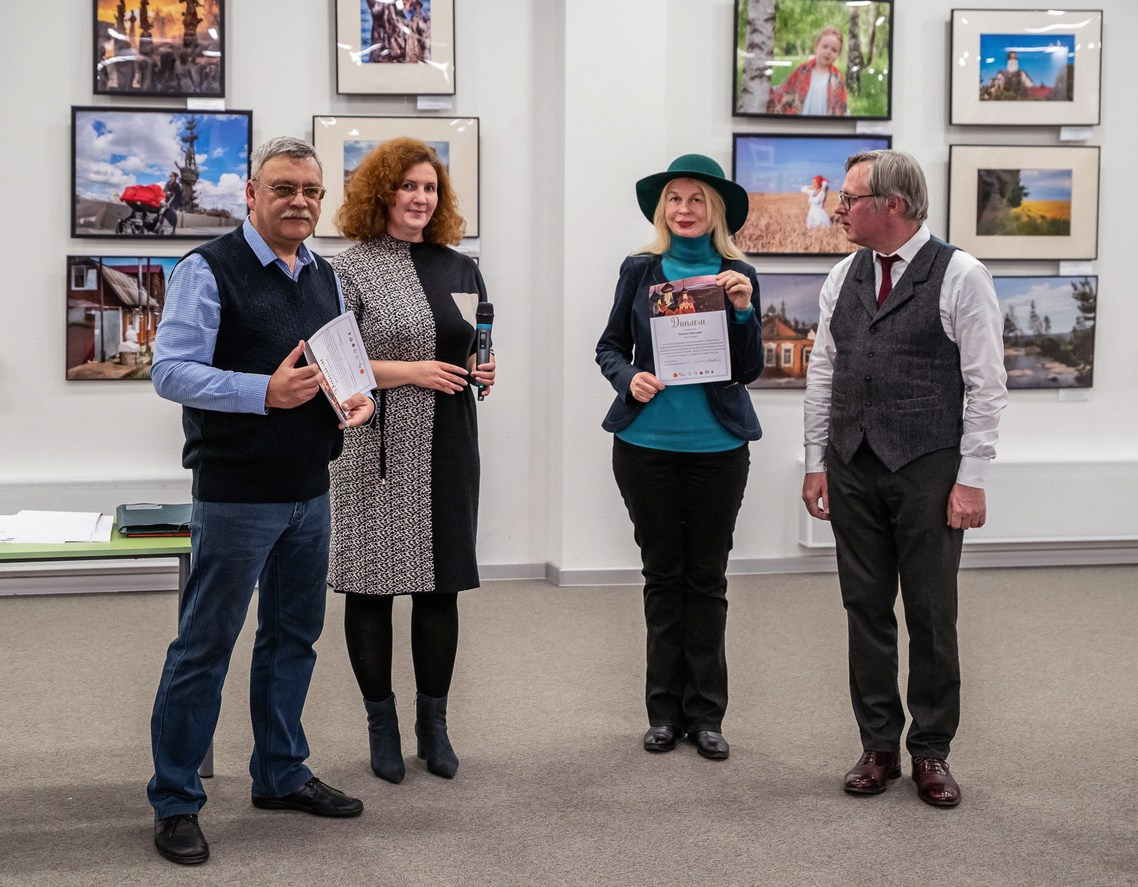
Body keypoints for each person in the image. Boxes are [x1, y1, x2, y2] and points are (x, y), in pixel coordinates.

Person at [147, 136, 375, 865]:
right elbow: (171, 372)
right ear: (251, 193)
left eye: (311, 190)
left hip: (312, 489)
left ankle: (279, 771)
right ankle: (177, 799)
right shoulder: (205, 270)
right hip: (236, 495)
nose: (300, 201)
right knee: (204, 647)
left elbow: (338, 359)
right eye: (284, 188)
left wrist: (352, 396)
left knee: (291, 640)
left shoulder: (326, 278)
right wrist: (262, 393)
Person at [800, 150, 1008, 808]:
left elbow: (987, 386)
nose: (839, 209)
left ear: (893, 205)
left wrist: (970, 478)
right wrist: (815, 461)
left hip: (928, 469)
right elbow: (823, 373)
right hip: (853, 465)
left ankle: (932, 750)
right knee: (865, 610)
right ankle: (879, 744)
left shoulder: (962, 276)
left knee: (930, 612)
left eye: (851, 198)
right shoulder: (842, 276)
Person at [328, 137, 495, 785]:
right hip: (377, 445)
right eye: (408, 187)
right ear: (381, 194)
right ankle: (381, 726)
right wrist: (410, 372)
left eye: (430, 187)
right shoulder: (349, 270)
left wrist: (484, 367)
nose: (420, 198)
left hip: (450, 440)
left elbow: (478, 341)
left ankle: (434, 725)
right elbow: (334, 362)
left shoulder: (462, 267)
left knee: (440, 583)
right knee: (371, 585)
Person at [596, 154, 763, 760]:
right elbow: (610, 346)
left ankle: (707, 715)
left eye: (697, 200)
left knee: (708, 580)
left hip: (718, 447)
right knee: (663, 577)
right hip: (646, 447)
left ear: (715, 211)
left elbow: (749, 369)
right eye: (675, 199)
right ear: (662, 209)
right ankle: (663, 712)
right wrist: (629, 378)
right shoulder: (639, 270)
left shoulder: (736, 274)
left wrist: (743, 310)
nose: (685, 210)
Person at [768, 26, 848, 116]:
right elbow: (786, 91)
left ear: (838, 54)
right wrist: (767, 92)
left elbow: (842, 107)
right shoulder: (802, 71)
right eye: (825, 47)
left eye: (834, 50)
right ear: (816, 46)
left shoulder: (837, 79)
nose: (828, 52)